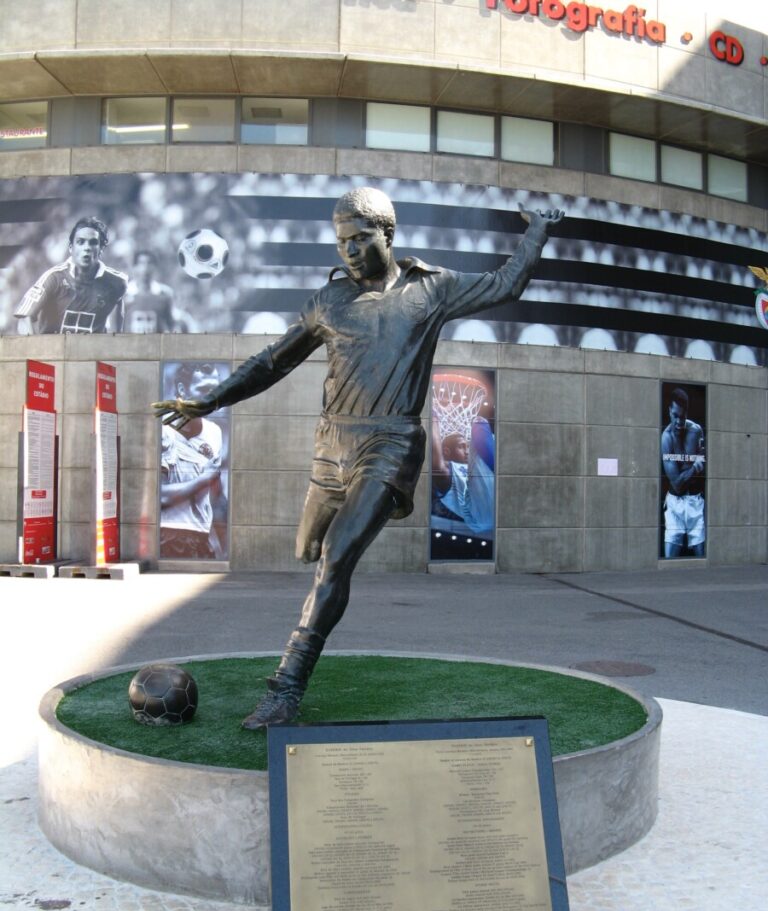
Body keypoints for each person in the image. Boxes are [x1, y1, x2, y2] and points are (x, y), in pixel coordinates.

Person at [154, 187, 563, 728]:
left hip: (390, 443)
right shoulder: (330, 302)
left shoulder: (430, 290)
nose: (347, 250)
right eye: (341, 240)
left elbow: (507, 283)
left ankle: (286, 689)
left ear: (386, 235)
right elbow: (273, 361)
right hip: (332, 448)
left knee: (335, 558)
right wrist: (212, 398)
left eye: (358, 239)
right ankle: (309, 612)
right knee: (308, 550)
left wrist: (537, 229)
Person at [14, 216, 126, 334]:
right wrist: (35, 350)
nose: (86, 248)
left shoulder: (116, 283)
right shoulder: (54, 278)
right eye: (80, 242)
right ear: (71, 248)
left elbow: (117, 333)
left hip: (93, 351)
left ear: (101, 249)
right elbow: (24, 318)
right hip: (54, 351)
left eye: (93, 243)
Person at [160, 363, 225, 560]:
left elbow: (215, 494)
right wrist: (203, 479)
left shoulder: (214, 432)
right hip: (171, 534)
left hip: (201, 535)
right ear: (182, 390)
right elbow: (161, 496)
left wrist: (220, 541)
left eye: (215, 391)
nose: (212, 399)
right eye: (204, 390)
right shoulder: (164, 431)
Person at [431, 415, 495, 535]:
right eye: (461, 446)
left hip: (497, 511)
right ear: (446, 451)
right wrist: (433, 420)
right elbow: (436, 465)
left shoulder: (473, 466)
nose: (467, 451)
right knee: (479, 425)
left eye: (467, 446)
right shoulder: (448, 470)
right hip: (480, 513)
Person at [661, 386, 706, 558]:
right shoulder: (666, 439)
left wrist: (689, 470)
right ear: (669, 411)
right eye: (675, 416)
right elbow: (677, 485)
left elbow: (705, 465)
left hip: (695, 501)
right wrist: (694, 467)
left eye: (683, 416)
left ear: (687, 412)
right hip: (675, 505)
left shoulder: (696, 431)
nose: (679, 422)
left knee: (703, 560)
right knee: (668, 562)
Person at [124, 250, 177, 333]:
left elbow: (171, 325)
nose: (145, 268)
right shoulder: (124, 293)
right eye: (141, 263)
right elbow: (115, 326)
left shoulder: (165, 294)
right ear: (135, 267)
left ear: (155, 267)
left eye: (149, 263)